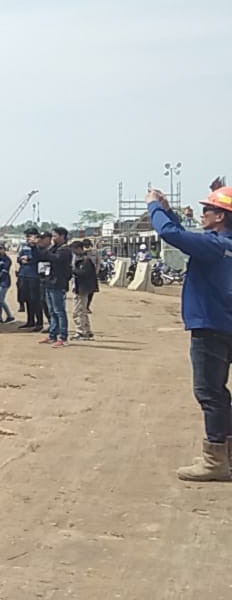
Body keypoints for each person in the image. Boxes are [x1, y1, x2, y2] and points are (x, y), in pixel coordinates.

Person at [147, 186, 232, 481]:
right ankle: (225, 455)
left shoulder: (213, 245)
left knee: (210, 393)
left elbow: (172, 235)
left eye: (207, 211)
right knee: (220, 394)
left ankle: (216, 460)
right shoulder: (222, 244)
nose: (202, 214)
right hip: (225, 324)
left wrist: (154, 208)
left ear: (220, 216)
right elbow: (187, 237)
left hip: (210, 327)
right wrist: (168, 209)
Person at [33, 227, 73, 347]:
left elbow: (55, 259)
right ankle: (52, 335)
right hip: (49, 282)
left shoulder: (65, 250)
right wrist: (36, 246)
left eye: (55, 236)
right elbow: (42, 257)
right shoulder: (54, 248)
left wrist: (43, 248)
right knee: (52, 311)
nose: (53, 239)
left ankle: (63, 337)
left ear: (62, 236)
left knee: (59, 311)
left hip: (58, 283)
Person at [16, 229, 45, 331]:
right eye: (27, 236)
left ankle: (39, 322)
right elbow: (18, 258)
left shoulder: (39, 246)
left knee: (35, 300)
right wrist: (21, 259)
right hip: (23, 274)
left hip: (34, 276)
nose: (28, 238)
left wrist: (28, 258)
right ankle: (30, 320)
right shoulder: (23, 245)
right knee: (27, 299)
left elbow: (37, 258)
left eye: (30, 236)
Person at [70, 240, 98, 340]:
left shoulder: (85, 261)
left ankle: (81, 332)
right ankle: (87, 330)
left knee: (78, 311)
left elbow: (84, 273)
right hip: (79, 288)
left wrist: (72, 270)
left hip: (82, 289)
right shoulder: (80, 259)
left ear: (78, 249)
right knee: (82, 311)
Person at [0, 242, 16, 324]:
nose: (0, 251)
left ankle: (9, 315)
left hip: (5, 281)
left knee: (1, 299)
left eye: (1, 249)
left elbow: (5, 270)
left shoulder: (7, 259)